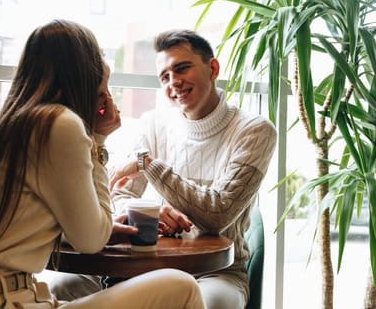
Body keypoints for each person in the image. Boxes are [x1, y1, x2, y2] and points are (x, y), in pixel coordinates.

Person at [0, 20, 205, 309]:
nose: (105, 65)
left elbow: (47, 224)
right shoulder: (60, 125)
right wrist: (98, 139)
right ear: (83, 67)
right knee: (182, 287)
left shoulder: (16, 123)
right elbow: (91, 242)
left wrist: (101, 227)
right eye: (98, 56)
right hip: (1, 302)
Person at [50, 29, 277, 309]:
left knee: (213, 303)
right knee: (61, 286)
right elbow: (118, 194)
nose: (174, 83)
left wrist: (148, 163)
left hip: (215, 273)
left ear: (213, 68)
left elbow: (219, 214)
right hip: (143, 267)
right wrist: (148, 213)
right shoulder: (153, 124)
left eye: (182, 69)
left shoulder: (255, 131)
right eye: (165, 77)